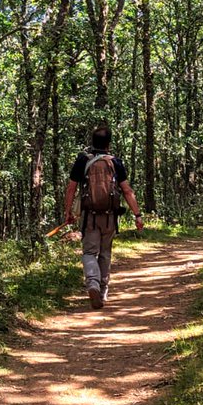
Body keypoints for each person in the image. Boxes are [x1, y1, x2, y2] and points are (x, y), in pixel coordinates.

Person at [63, 123, 143, 310]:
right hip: (110, 217)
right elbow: (127, 191)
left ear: (92, 142)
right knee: (105, 252)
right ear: (109, 143)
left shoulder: (83, 160)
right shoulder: (115, 162)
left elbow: (71, 188)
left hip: (89, 216)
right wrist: (137, 215)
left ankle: (92, 284)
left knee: (90, 252)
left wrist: (68, 212)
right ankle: (103, 290)